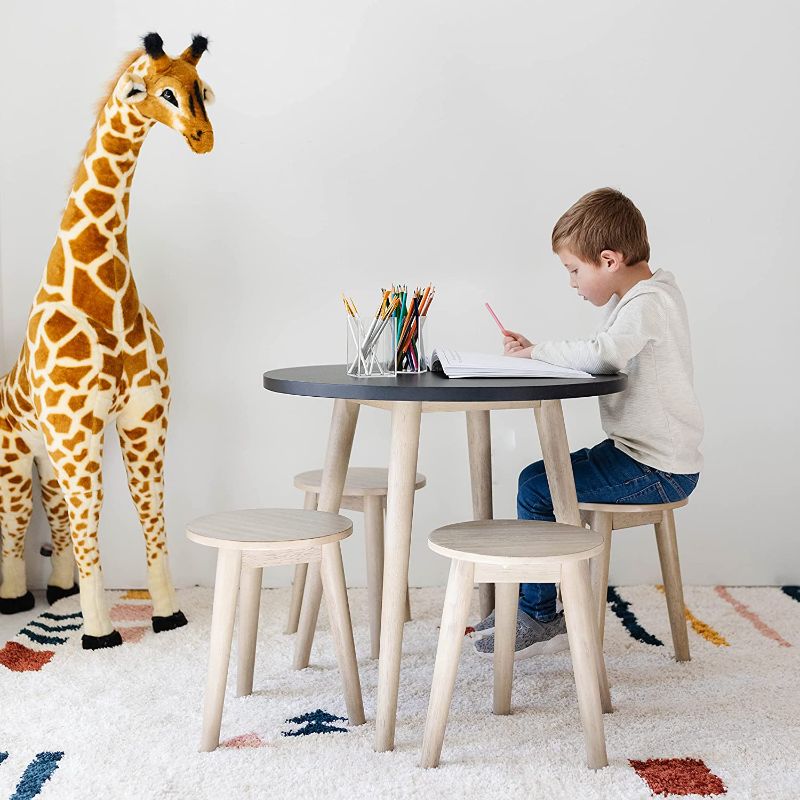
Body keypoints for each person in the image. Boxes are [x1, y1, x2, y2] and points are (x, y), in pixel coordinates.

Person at [472, 187, 704, 659]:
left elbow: (603, 355)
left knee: (537, 490)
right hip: (638, 454)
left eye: (574, 270)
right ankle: (533, 603)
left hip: (656, 468)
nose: (573, 283)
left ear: (609, 259)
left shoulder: (646, 303)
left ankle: (539, 614)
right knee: (535, 479)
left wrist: (535, 352)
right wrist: (538, 349)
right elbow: (602, 352)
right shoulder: (647, 296)